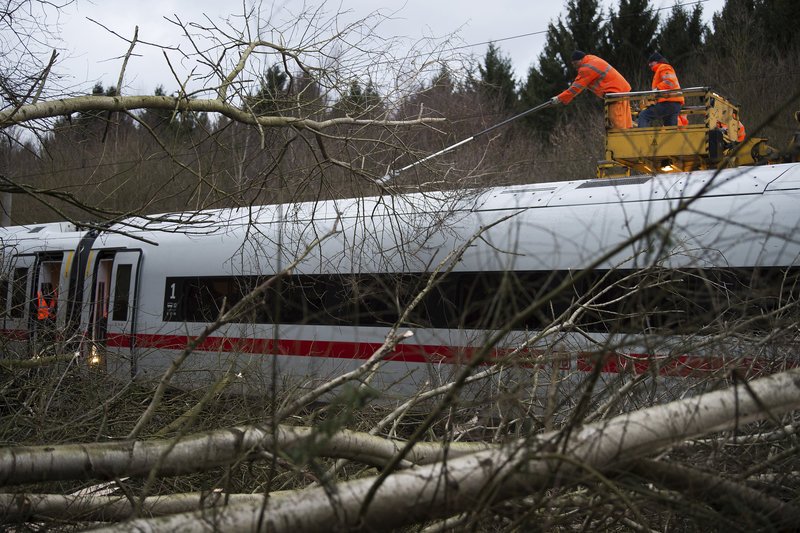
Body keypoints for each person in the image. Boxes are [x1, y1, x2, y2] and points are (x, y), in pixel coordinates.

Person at [551, 50, 632, 129]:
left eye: (575, 63)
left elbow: (575, 89)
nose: (575, 66)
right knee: (626, 124)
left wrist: (559, 98)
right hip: (622, 91)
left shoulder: (586, 68)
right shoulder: (591, 58)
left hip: (615, 95)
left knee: (617, 127)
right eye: (573, 64)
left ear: (581, 60)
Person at [638, 52, 684, 127]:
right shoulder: (662, 69)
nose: (649, 64)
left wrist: (656, 89)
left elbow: (669, 82)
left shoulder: (663, 67)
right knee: (670, 130)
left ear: (657, 61)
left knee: (643, 115)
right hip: (674, 103)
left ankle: (641, 137)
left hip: (668, 102)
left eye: (651, 62)